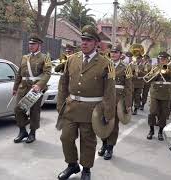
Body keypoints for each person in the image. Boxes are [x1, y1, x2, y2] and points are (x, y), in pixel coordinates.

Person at [57, 25, 116, 180]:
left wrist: (108, 113)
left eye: (88, 40)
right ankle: (72, 165)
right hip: (71, 107)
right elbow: (63, 84)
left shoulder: (106, 63)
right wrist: (60, 104)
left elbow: (110, 91)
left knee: (87, 141)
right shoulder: (71, 59)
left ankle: (86, 169)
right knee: (66, 137)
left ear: (96, 43)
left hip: (92, 110)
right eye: (83, 39)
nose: (84, 43)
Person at [12, 34, 51, 144]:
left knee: (34, 111)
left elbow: (47, 73)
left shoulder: (45, 57)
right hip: (23, 87)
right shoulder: (25, 57)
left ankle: (32, 133)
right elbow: (19, 73)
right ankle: (22, 131)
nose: (31, 46)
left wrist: (39, 85)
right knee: (18, 109)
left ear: (39, 45)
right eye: (30, 44)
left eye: (33, 44)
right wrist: (15, 87)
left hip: (35, 88)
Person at [97, 44, 132, 160]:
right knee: (102, 122)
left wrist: (127, 104)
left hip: (117, 99)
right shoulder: (105, 65)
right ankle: (104, 144)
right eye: (112, 52)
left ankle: (110, 147)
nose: (113, 54)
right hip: (104, 98)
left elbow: (128, 87)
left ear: (120, 54)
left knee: (113, 124)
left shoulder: (126, 67)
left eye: (116, 52)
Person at [147, 51, 171, 141]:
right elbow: (149, 78)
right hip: (155, 92)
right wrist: (157, 73)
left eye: (164, 59)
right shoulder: (155, 67)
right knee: (152, 112)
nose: (162, 61)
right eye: (160, 59)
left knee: (163, 114)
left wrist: (167, 70)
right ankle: (151, 130)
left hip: (165, 93)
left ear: (167, 60)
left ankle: (160, 132)